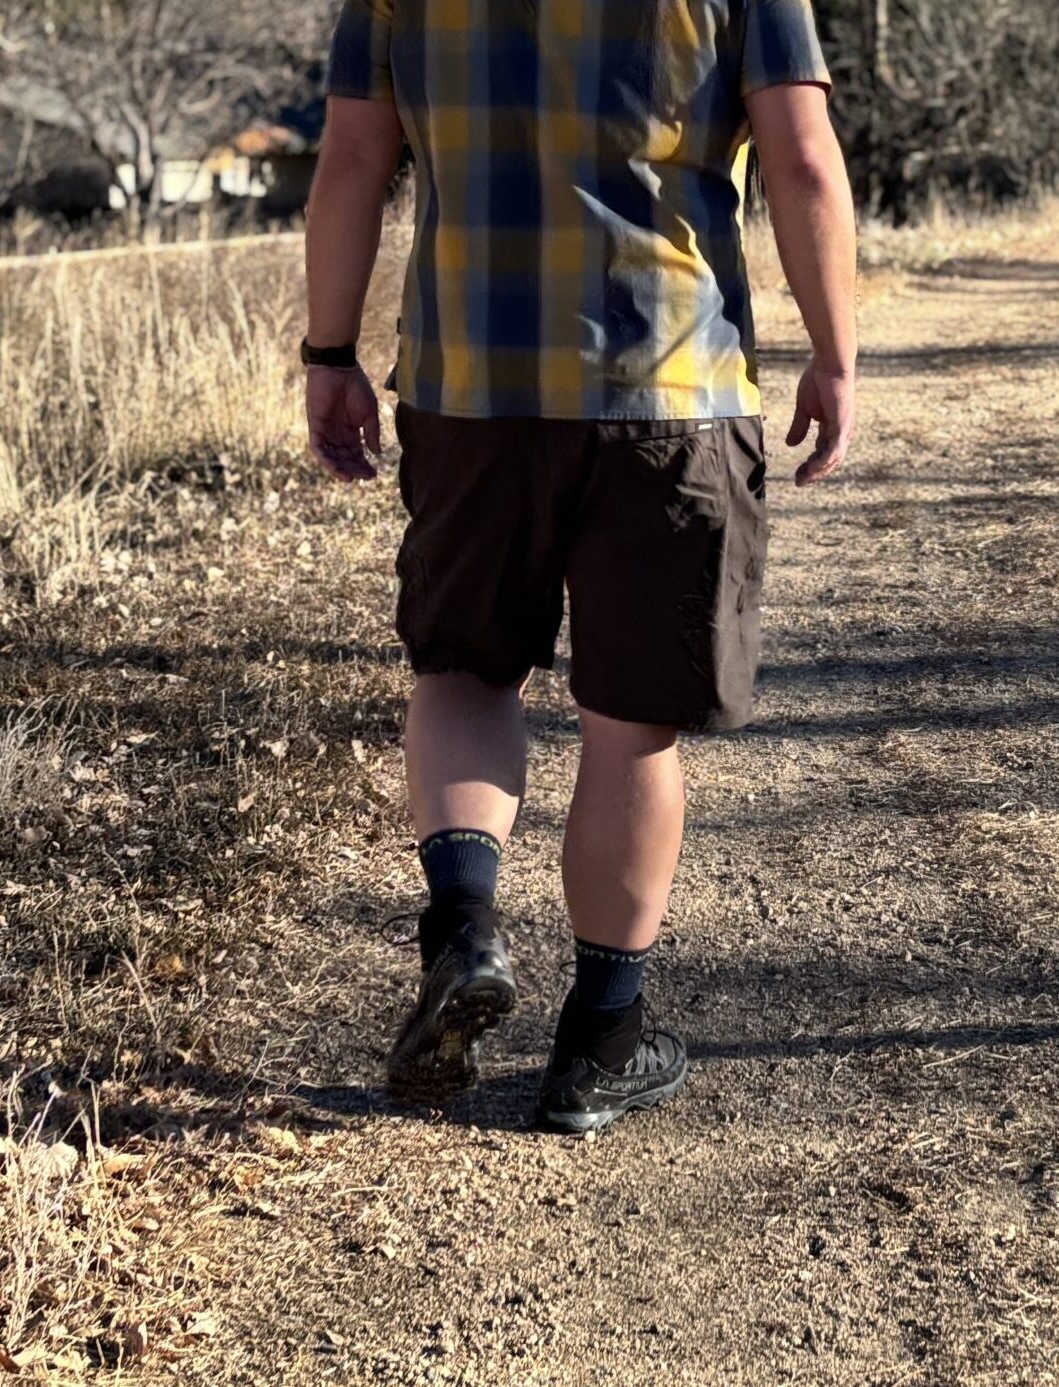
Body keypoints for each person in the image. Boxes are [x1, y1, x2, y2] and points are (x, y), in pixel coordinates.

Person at [301, 0, 856, 1132]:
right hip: (669, 389)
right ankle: (600, 1040)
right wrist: (835, 353)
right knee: (627, 721)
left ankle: (463, 926)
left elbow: (355, 156)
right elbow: (799, 158)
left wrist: (327, 351)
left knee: (463, 672)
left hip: (468, 384)